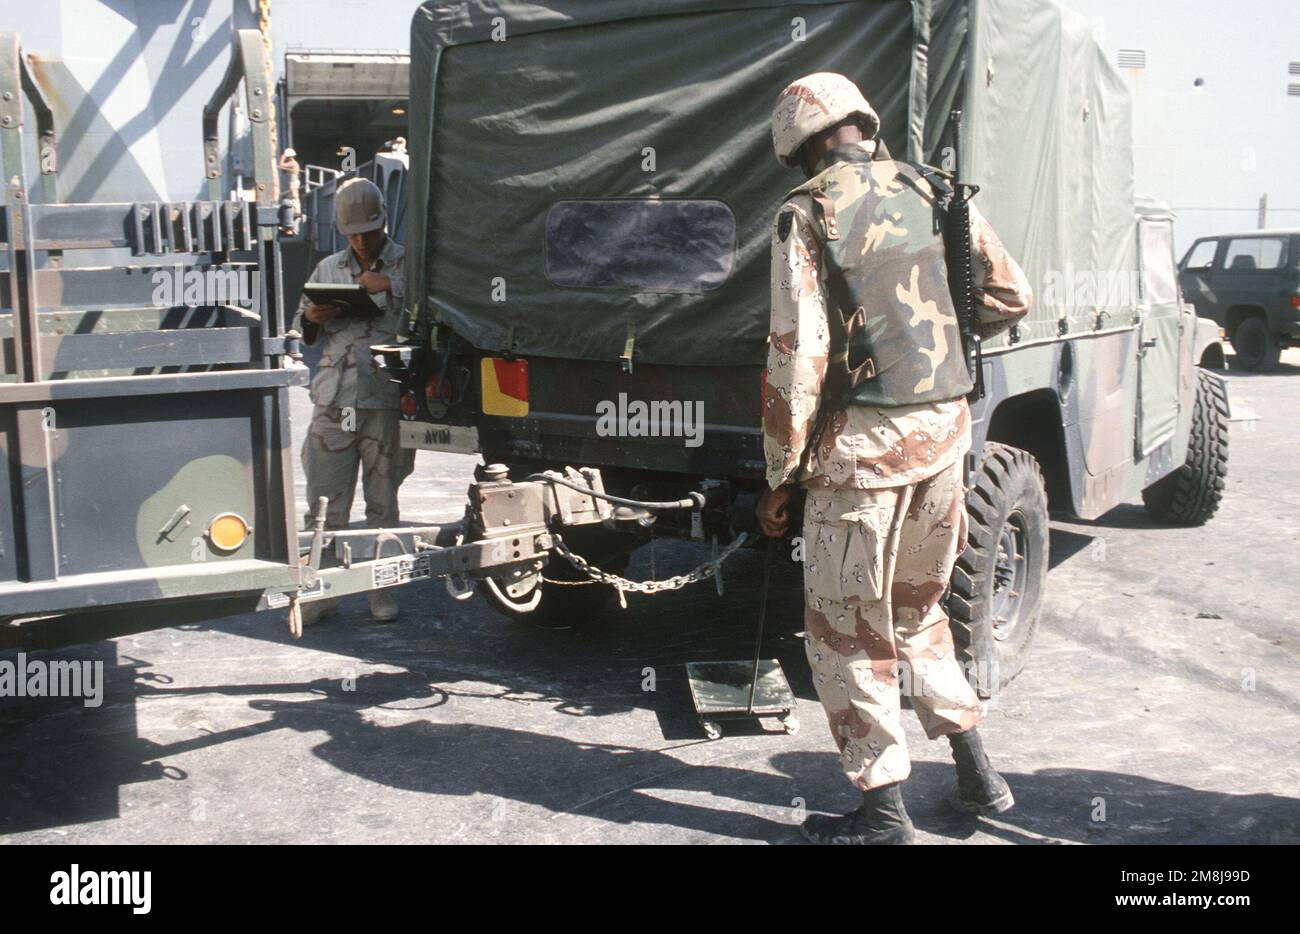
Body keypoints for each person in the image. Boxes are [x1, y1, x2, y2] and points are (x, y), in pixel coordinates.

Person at [758, 73, 1033, 844]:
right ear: (859, 121)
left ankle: (883, 818)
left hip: (862, 460)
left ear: (801, 140)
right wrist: (930, 334)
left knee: (848, 633)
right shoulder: (940, 191)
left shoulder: (807, 212)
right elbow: (1012, 295)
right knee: (918, 613)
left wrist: (780, 476)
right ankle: (980, 776)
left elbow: (798, 355)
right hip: (946, 437)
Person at [293, 177, 415, 624]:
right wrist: (310, 317)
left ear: (384, 221)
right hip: (333, 402)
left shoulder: (409, 265)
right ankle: (321, 592)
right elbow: (299, 326)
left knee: (383, 502)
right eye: (354, 233)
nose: (362, 241)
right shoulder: (327, 269)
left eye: (370, 231)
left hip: (384, 400)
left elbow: (429, 318)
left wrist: (392, 288)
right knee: (325, 504)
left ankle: (379, 591)